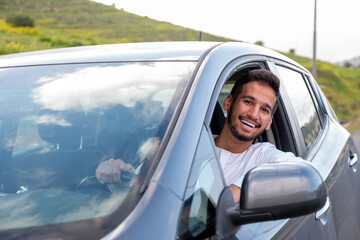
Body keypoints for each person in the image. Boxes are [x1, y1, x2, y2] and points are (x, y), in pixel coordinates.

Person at [96, 69, 303, 204]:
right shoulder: (185, 146)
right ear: (228, 103)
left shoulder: (263, 157)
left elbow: (303, 173)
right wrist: (117, 177)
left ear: (269, 122)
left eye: (264, 110)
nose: (254, 114)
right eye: (248, 102)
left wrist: (242, 187)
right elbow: (141, 185)